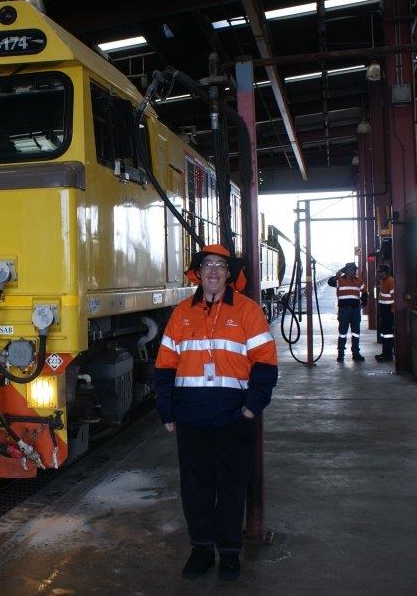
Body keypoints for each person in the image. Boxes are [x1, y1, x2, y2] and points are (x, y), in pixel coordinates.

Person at [155, 243, 279, 582]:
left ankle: (228, 553)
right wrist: (167, 412)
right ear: (198, 272)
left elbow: (266, 363)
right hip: (191, 418)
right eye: (207, 264)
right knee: (195, 487)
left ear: (230, 274)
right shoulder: (181, 313)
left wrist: (252, 409)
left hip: (233, 418)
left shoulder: (248, 311)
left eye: (220, 266)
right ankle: (200, 550)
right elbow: (165, 366)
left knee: (231, 486)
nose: (213, 271)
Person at [327, 261, 367, 362]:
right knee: (342, 333)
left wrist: (364, 303)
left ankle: (356, 353)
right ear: (346, 270)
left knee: (356, 333)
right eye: (351, 269)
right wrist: (337, 275)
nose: (353, 271)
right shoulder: (339, 280)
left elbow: (365, 292)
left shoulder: (359, 281)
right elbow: (329, 282)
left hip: (355, 311)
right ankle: (341, 354)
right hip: (344, 311)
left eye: (354, 270)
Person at [375, 264, 395, 362]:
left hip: (388, 311)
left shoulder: (390, 281)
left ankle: (388, 355)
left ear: (385, 272)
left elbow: (394, 297)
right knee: (384, 333)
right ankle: (385, 353)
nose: (378, 274)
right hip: (384, 310)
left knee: (388, 333)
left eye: (380, 272)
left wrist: (392, 310)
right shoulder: (382, 281)